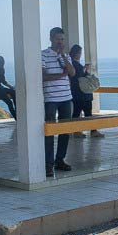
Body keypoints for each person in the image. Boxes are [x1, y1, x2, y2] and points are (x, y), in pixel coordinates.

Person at [42, 27, 75, 177]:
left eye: (62, 39)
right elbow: (43, 76)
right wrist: (62, 74)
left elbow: (72, 73)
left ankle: (59, 160)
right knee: (49, 132)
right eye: (57, 39)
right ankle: (48, 164)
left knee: (65, 131)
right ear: (50, 38)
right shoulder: (43, 55)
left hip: (66, 99)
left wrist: (63, 56)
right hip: (51, 99)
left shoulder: (65, 55)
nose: (60, 42)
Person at [69, 44, 103, 138]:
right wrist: (85, 68)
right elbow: (78, 75)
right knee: (87, 113)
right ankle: (92, 131)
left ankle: (77, 131)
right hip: (82, 94)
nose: (80, 54)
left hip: (77, 94)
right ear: (75, 54)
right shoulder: (74, 64)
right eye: (79, 53)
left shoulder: (73, 64)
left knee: (77, 113)